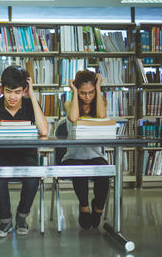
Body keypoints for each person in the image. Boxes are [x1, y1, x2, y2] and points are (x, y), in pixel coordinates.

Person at [0, 65, 48, 237]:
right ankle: (5, 221)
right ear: (2, 88)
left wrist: (32, 96)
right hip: (0, 155)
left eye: (17, 92)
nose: (12, 97)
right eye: (8, 91)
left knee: (33, 175)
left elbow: (44, 131)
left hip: (26, 155)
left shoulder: (29, 103)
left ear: (24, 91)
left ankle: (22, 216)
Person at [61, 69, 109, 230]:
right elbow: (74, 118)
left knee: (104, 173)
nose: (87, 97)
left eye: (91, 92)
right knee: (79, 170)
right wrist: (73, 92)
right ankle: (84, 207)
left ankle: (99, 207)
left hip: (95, 155)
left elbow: (101, 117)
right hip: (73, 156)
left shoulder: (100, 102)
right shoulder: (69, 103)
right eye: (83, 93)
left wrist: (99, 87)